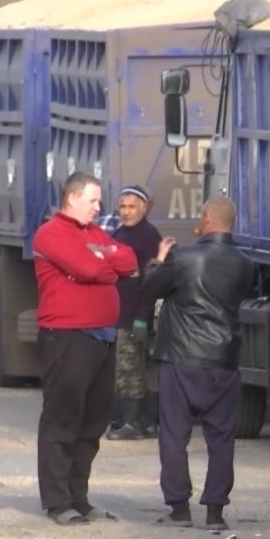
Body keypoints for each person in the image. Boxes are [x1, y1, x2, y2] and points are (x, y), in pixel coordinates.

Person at [141, 197, 257, 530]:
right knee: (221, 438)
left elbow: (150, 288)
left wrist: (158, 260)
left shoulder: (183, 258)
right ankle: (215, 512)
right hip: (224, 359)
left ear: (205, 218)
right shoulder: (246, 265)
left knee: (174, 435)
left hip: (181, 357)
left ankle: (179, 508)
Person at [33, 171, 138, 525]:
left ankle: (78, 497)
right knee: (62, 419)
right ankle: (57, 501)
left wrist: (101, 261)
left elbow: (129, 261)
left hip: (103, 336)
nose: (98, 207)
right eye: (92, 200)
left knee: (92, 422)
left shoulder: (94, 233)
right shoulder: (51, 233)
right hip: (68, 336)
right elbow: (88, 268)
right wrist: (104, 264)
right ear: (72, 198)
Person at [99, 186, 163, 441]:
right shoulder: (120, 233)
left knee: (130, 369)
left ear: (143, 208)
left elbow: (151, 281)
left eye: (132, 207)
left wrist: (142, 317)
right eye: (122, 207)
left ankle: (135, 422)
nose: (126, 212)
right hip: (118, 313)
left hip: (133, 314)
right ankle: (123, 419)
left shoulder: (147, 237)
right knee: (122, 368)